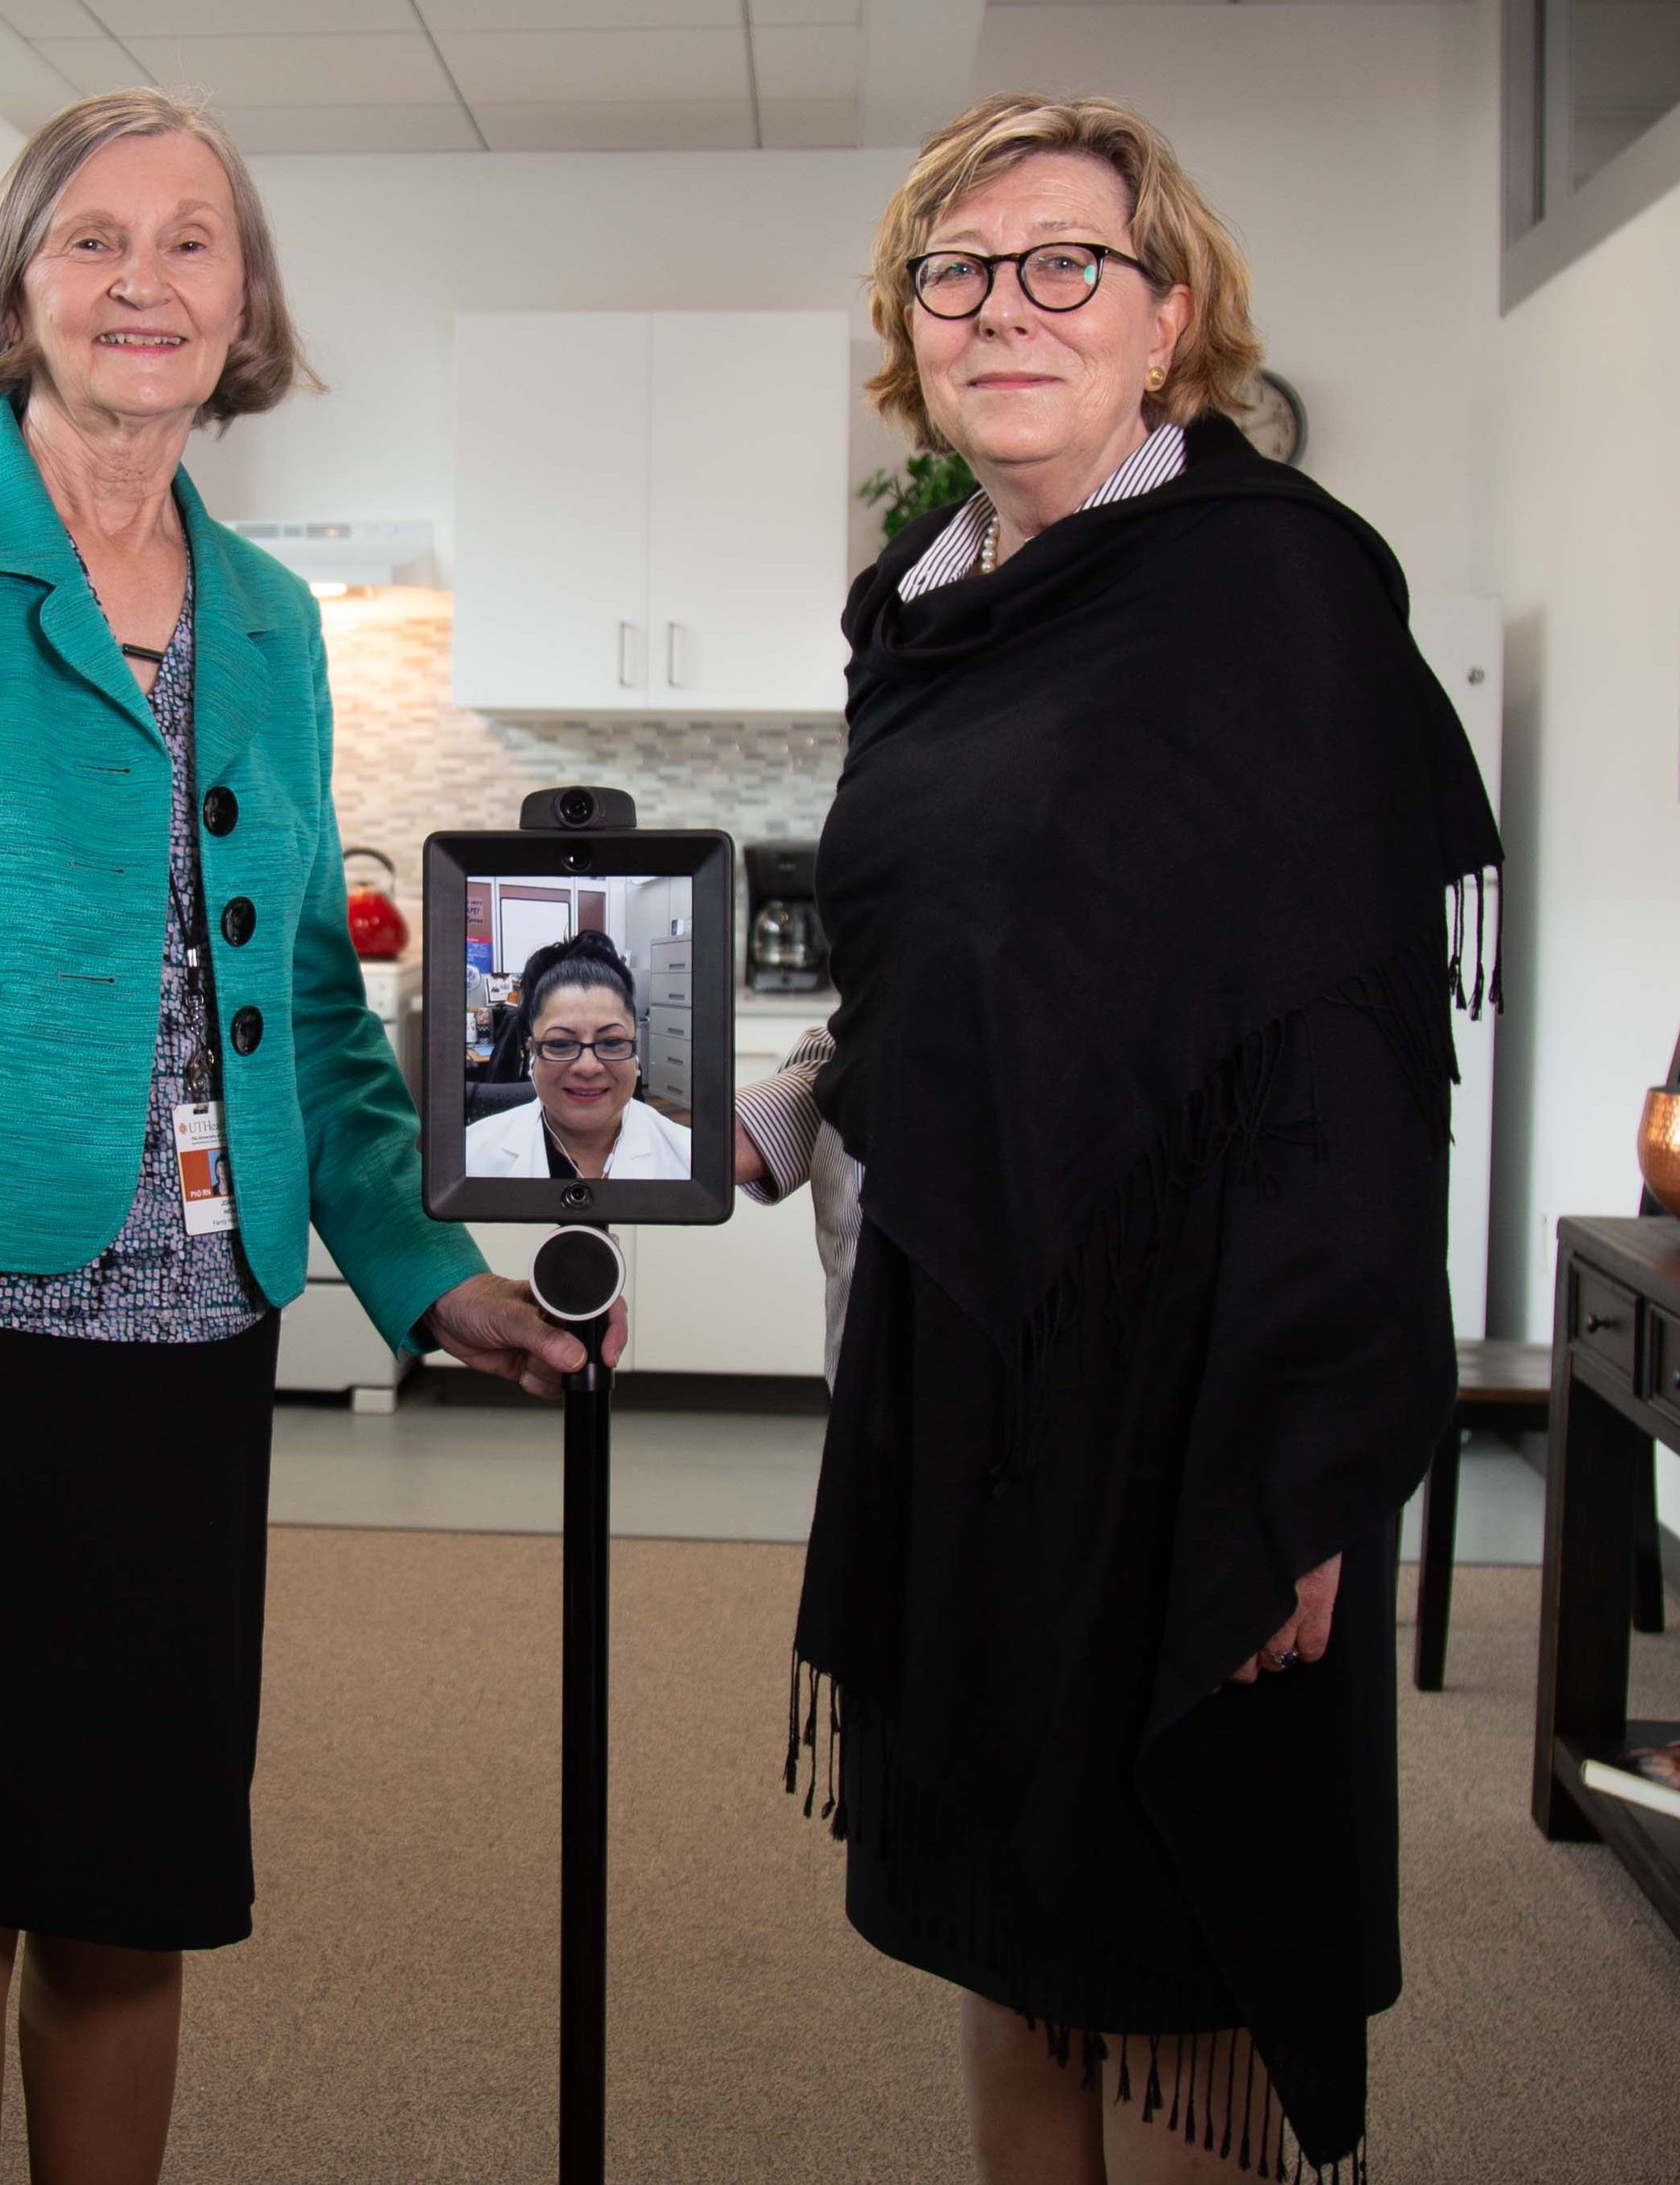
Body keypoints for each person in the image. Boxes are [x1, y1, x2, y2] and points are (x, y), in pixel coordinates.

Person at [0, 89, 617, 2185]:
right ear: (18, 285)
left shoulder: (270, 623)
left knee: (131, 1889)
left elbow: (299, 994)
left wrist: (422, 1271)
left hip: (191, 1337)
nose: (144, 280)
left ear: (247, 302)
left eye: (193, 241)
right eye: (93, 237)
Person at [733, 95, 1500, 2184]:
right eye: (955, 273)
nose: (1006, 308)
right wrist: (797, 1099)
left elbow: (1356, 1075)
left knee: (1179, 1959)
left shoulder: (1276, 597)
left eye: (1064, 263)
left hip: (1202, 1390)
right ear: (913, 332)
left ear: (1167, 321)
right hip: (976, 1353)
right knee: (1014, 1917)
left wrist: (1299, 1482)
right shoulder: (924, 603)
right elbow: (963, 969)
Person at [465, 931, 691, 1180]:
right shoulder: (470, 1158)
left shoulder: (690, 1161)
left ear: (635, 1051)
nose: (588, 1067)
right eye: (560, 1044)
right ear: (532, 1052)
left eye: (612, 1042)